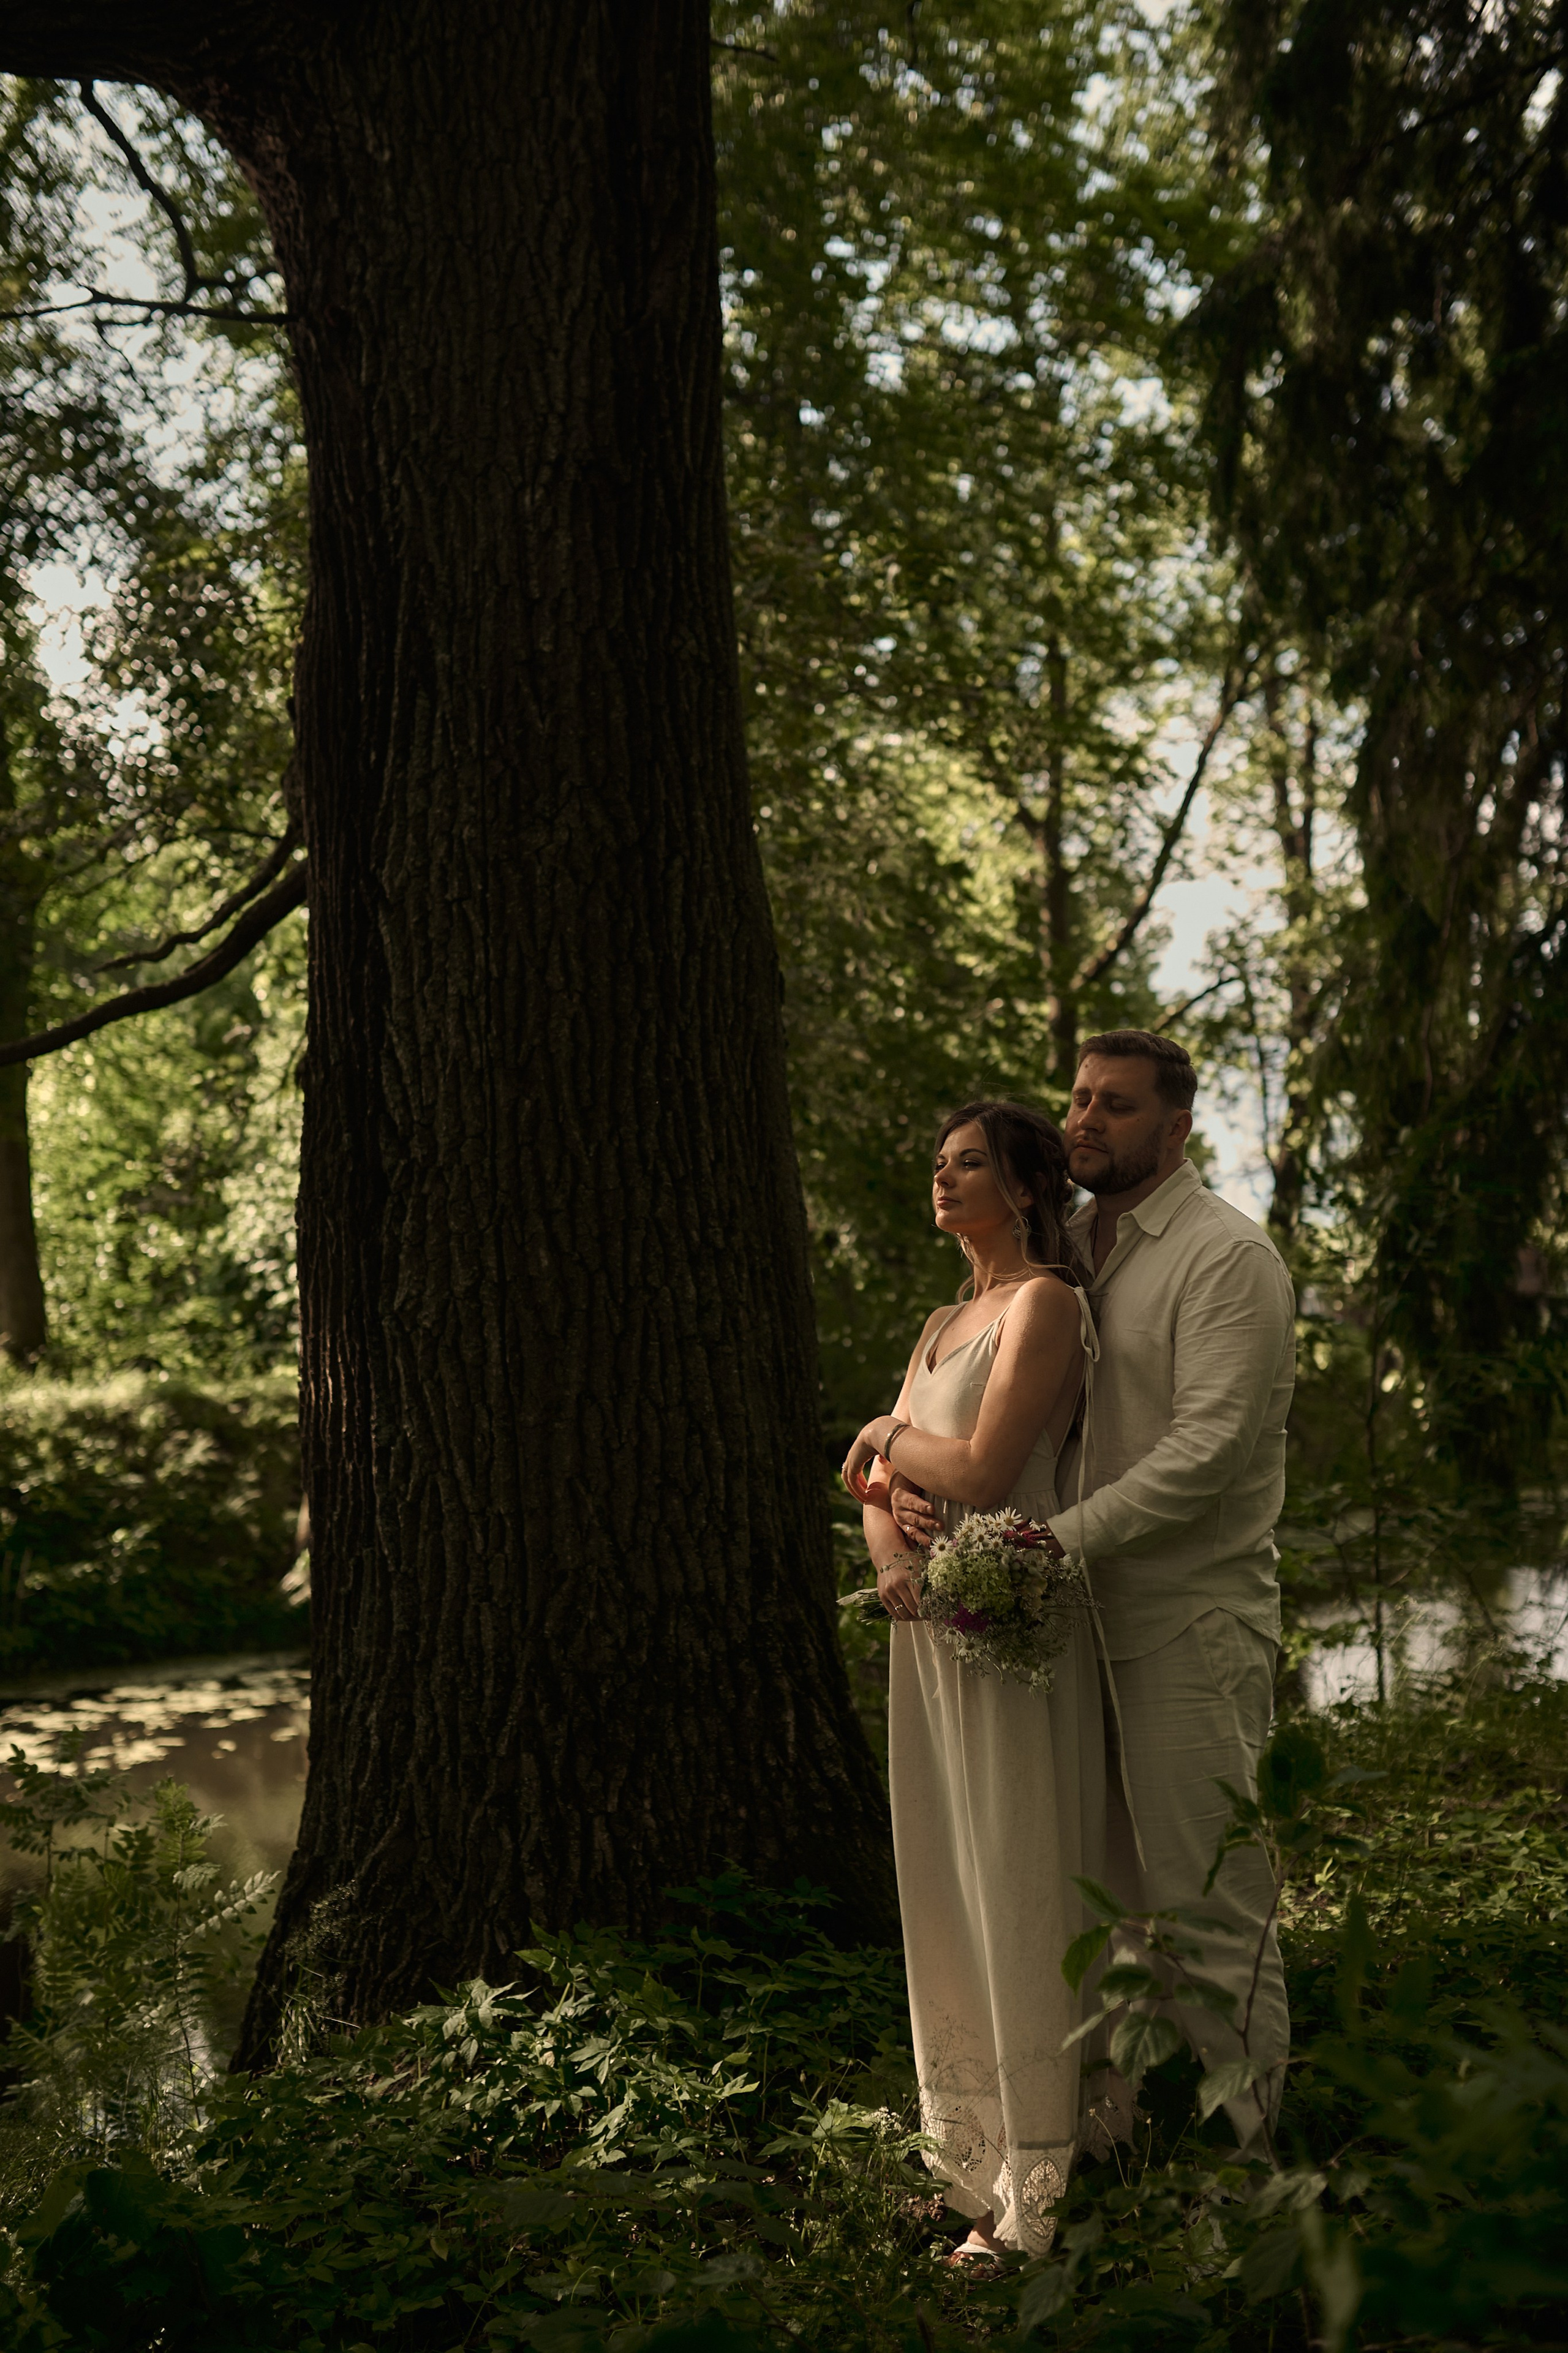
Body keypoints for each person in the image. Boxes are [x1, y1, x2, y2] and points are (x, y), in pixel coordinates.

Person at [892, 1033, 1295, 2148]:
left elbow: (1205, 1450)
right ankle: (1124, 2137)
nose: (1083, 1121)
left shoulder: (1226, 1257)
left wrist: (1043, 1542)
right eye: (1077, 1099)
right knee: (1097, 1905)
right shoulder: (1060, 1251)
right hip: (1059, 1633)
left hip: (1184, 1618)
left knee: (1208, 1899)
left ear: (1175, 1129)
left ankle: (1255, 2166)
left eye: (1115, 1106)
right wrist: (917, 1491)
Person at [842, 1100, 1109, 2259]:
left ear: (1024, 1184)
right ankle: (966, 2160)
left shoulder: (1044, 1304)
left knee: (1017, 1880)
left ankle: (1037, 2194)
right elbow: (868, 1488)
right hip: (928, 1627)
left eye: (968, 1164)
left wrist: (883, 1436)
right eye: (937, 1161)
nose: (944, 1180)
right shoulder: (942, 1317)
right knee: (945, 1880)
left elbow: (988, 1466)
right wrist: (893, 1557)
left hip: (1012, 1619)